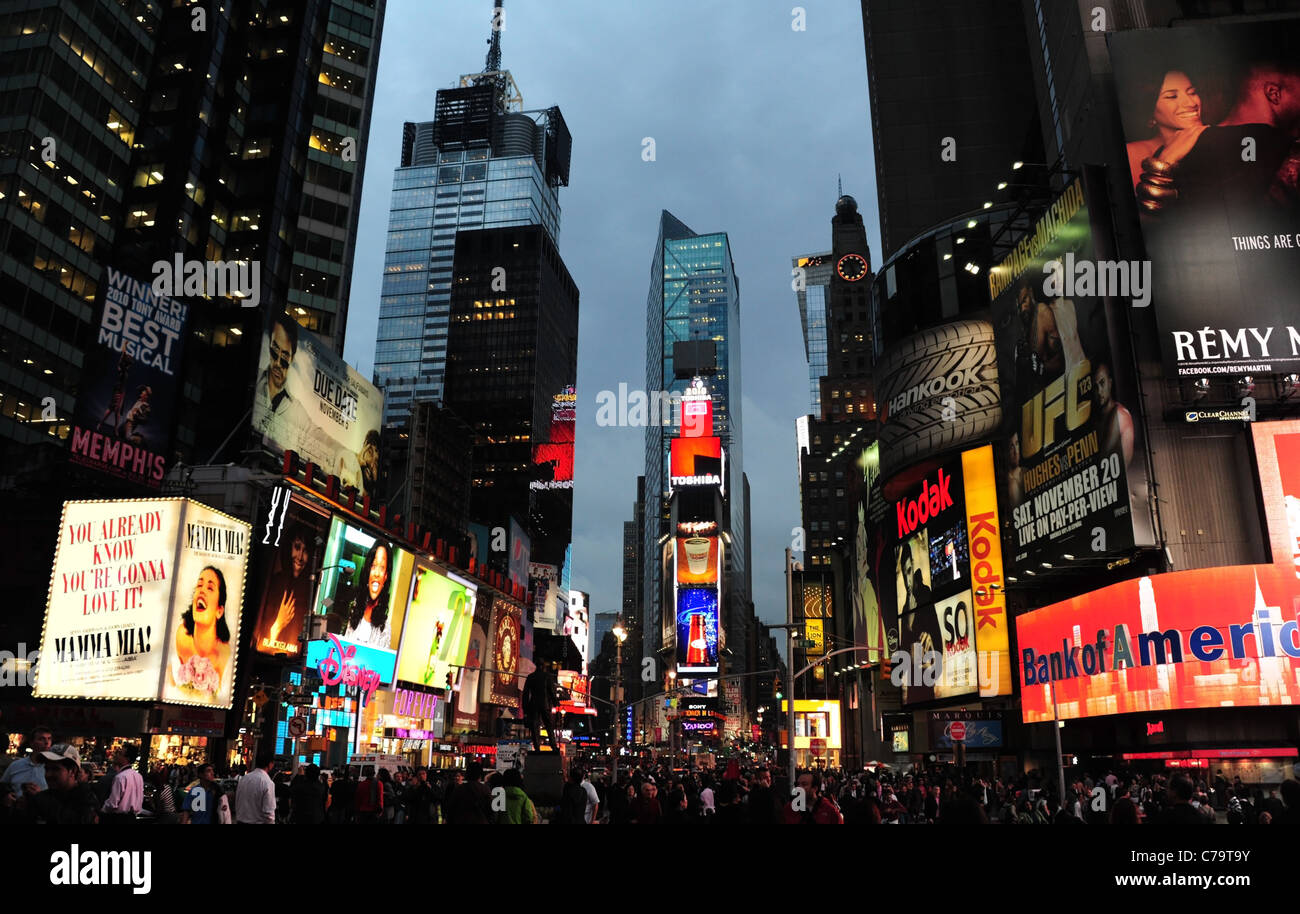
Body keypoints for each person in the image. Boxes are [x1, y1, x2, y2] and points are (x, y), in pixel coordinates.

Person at [253, 523, 316, 654]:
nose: (300, 556)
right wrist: (278, 624)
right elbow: (261, 644)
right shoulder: (273, 582)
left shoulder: (311, 593)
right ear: (288, 547)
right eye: (297, 547)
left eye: (306, 551)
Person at [254, 312, 313, 450]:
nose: (278, 363)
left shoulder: (297, 411)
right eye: (275, 350)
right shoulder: (254, 386)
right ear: (269, 344)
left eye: (285, 357)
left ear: (292, 359)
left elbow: (317, 434)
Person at [172, 566, 233, 699]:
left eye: (210, 588)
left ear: (219, 611)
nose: (202, 591)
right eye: (199, 585)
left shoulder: (224, 653)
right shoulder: (181, 636)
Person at [18, 745, 98, 825]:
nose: (48, 774)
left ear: (72, 771)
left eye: (55, 769)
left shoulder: (87, 800)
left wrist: (41, 800)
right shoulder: (44, 796)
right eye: (47, 769)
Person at [343, 541, 393, 649]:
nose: (376, 573)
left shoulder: (385, 628)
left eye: (382, 568)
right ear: (368, 571)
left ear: (385, 577)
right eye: (374, 566)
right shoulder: (353, 609)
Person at [1091, 362, 1135, 469]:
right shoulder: (1096, 417)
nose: (1099, 391)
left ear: (1110, 383)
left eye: (1102, 383)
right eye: (1095, 386)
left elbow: (1101, 458)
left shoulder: (1119, 414)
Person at [1, 726, 52, 798]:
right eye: (41, 739)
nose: (47, 742)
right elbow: (3, 785)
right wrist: (7, 795)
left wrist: (40, 796)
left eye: (49, 739)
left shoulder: (53, 767)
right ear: (32, 743)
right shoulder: (16, 765)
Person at [521, 663, 561, 753]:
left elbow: (525, 694)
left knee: (535, 727)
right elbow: (552, 691)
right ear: (543, 667)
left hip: (533, 704)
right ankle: (553, 746)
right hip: (544, 704)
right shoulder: (547, 676)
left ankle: (537, 748)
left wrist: (525, 707)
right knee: (549, 726)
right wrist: (555, 703)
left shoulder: (531, 677)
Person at [96, 342, 134, 434]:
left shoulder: (123, 368)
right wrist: (125, 344)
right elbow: (123, 353)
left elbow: (123, 355)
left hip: (121, 391)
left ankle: (111, 427)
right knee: (113, 409)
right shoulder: (123, 368)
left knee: (115, 411)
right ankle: (104, 425)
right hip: (119, 391)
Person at [101, 744, 144, 823]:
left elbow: (112, 804)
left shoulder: (120, 777)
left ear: (127, 759)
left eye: (120, 753)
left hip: (119, 819)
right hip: (132, 818)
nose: (117, 755)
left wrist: (102, 809)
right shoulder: (139, 776)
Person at [235, 753, 278, 824]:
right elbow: (269, 812)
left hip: (240, 820)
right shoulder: (268, 782)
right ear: (270, 764)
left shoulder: (244, 779)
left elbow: (238, 800)